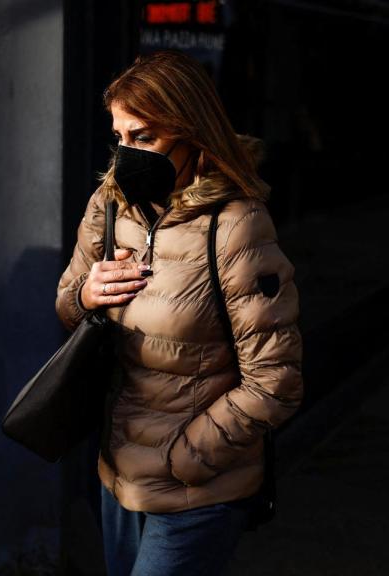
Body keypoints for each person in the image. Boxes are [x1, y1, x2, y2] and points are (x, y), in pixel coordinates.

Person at [55, 51, 303, 575]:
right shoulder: (110, 204)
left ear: (192, 132)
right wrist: (86, 297)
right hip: (118, 477)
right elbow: (67, 303)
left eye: (144, 137)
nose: (127, 153)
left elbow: (276, 380)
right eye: (120, 137)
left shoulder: (236, 225)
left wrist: (185, 459)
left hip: (196, 490)